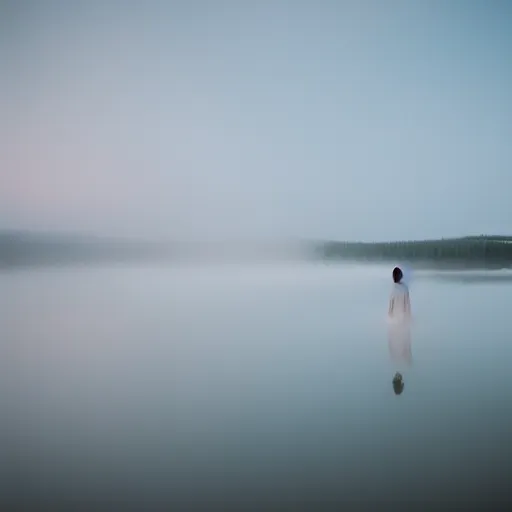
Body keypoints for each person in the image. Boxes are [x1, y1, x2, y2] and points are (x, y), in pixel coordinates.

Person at [387, 267, 412, 392]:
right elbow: (407, 305)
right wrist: (409, 318)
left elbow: (390, 308)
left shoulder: (393, 289)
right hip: (402, 320)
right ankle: (405, 358)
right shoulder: (404, 288)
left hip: (395, 322)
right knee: (404, 344)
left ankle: (399, 358)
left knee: (394, 345)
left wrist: (389, 318)